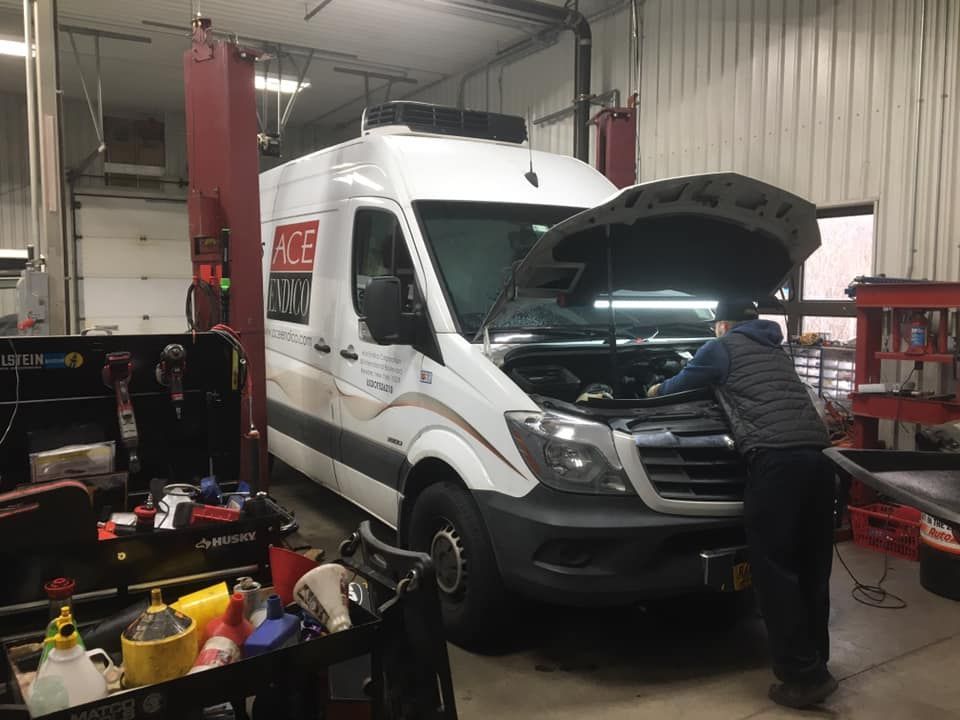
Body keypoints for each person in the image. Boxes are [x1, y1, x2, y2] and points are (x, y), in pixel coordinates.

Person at [647, 298, 837, 709]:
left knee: (776, 571)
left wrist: (653, 388)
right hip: (822, 461)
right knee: (811, 568)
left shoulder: (721, 347)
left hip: (777, 464)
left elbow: (681, 385)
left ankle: (803, 679)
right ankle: (817, 663)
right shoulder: (776, 349)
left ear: (722, 324)